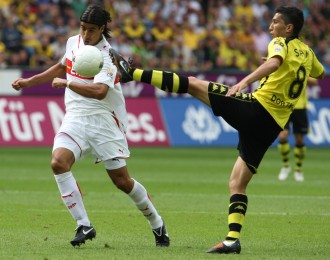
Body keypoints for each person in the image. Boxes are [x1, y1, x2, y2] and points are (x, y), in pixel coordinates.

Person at [109, 6, 324, 254]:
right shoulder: (307, 53)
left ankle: (131, 72)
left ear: (289, 28)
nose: (270, 27)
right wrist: (288, 68)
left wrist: (245, 80)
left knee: (193, 84)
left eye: (275, 22)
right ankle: (232, 239)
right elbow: (318, 73)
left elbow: (275, 62)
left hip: (256, 110)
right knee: (237, 183)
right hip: (271, 127)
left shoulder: (279, 43)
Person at [12, 4, 169, 248]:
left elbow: (100, 91)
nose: (86, 35)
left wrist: (67, 84)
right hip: (75, 117)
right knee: (58, 163)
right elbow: (62, 66)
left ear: (102, 29)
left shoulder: (108, 56)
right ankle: (83, 224)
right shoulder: (73, 42)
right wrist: (30, 82)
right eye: (83, 28)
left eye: (91, 30)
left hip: (104, 121)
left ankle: (157, 224)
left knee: (122, 181)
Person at [277, 78, 319, 182]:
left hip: (300, 107)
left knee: (299, 140)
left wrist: (302, 76)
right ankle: (286, 166)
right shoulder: (284, 64)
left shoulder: (303, 66)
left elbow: (315, 83)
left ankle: (298, 169)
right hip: (284, 105)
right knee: (282, 136)